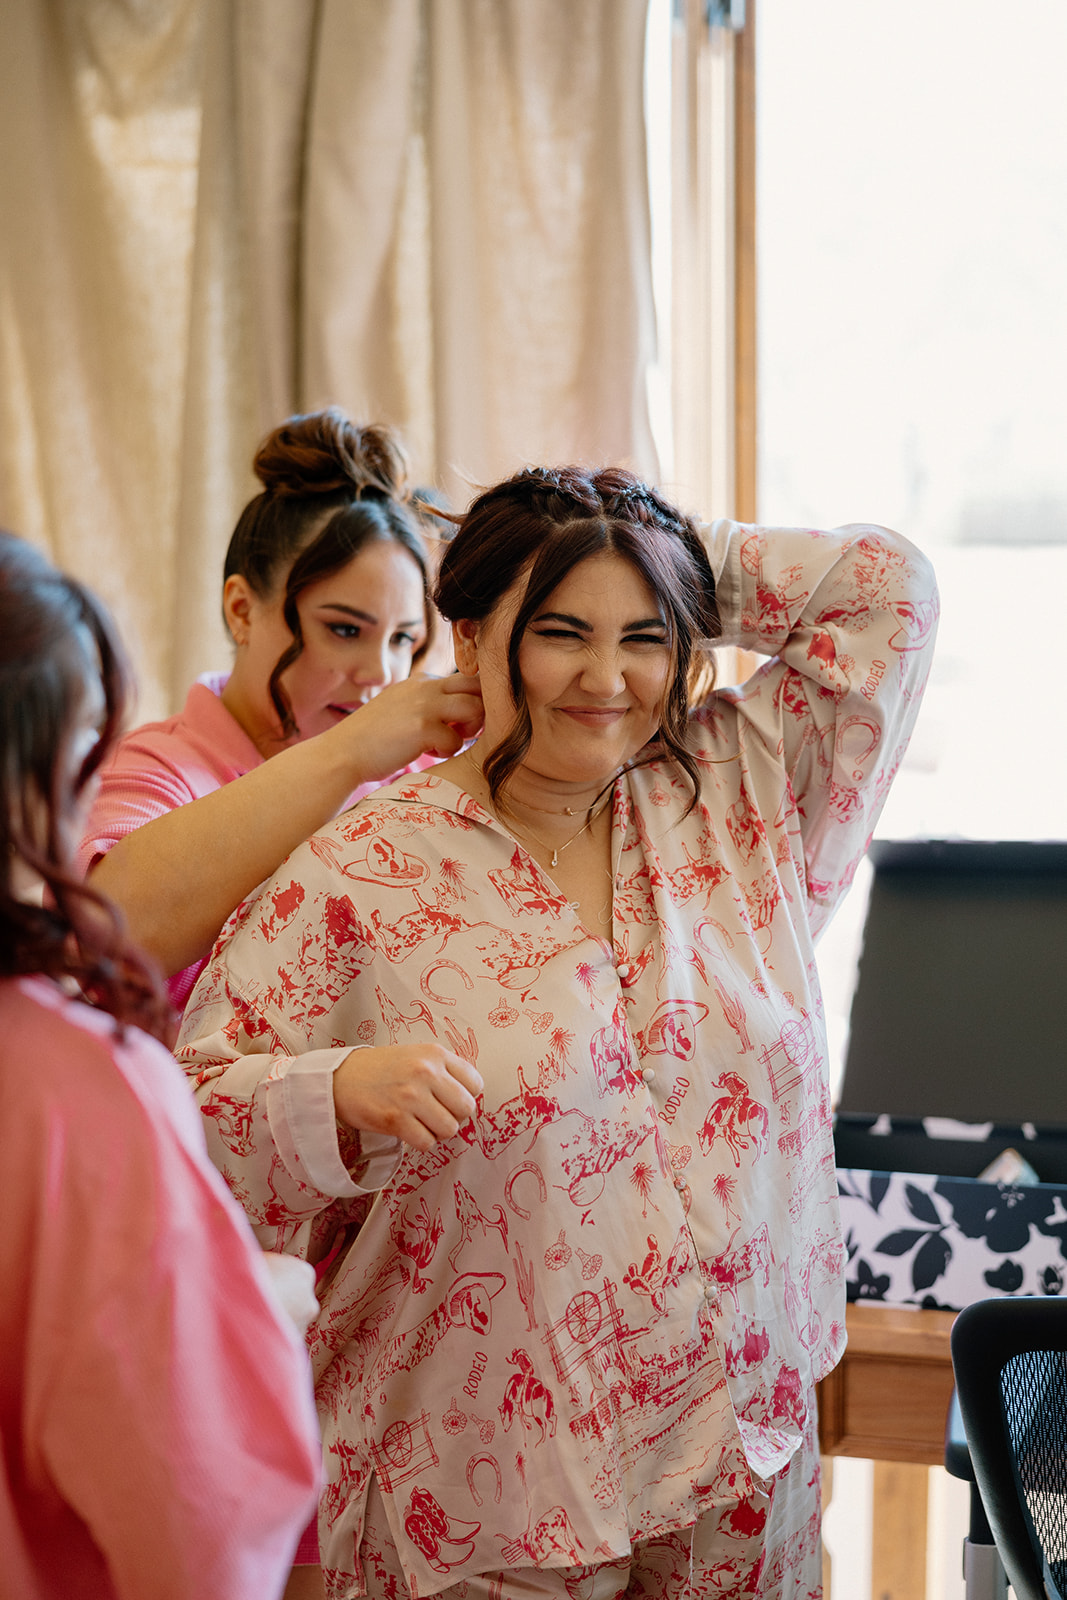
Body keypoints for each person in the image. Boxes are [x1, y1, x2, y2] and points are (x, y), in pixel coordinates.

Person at [176, 466, 939, 1598]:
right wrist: (331, 1092)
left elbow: (885, 594)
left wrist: (625, 538)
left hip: (740, 1456)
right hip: (482, 1491)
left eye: (643, 637)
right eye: (557, 631)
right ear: (474, 637)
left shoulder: (734, 787)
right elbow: (182, 1121)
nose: (606, 678)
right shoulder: (360, 872)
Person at [0, 530, 323, 1599]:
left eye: (403, 634)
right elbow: (195, 1516)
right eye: (341, 629)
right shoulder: (69, 1089)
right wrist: (247, 1309)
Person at [78, 408, 483, 1007]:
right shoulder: (154, 766)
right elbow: (102, 939)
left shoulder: (427, 778)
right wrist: (347, 753)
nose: (381, 673)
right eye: (345, 630)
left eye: (403, 639)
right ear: (242, 610)